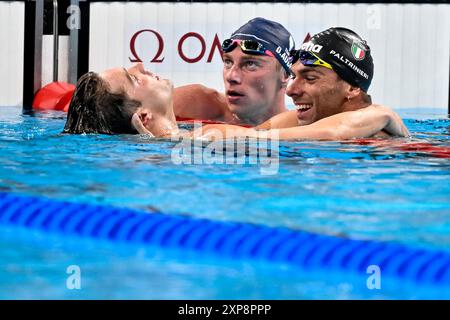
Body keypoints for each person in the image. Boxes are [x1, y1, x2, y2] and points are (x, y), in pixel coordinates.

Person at [193, 27, 410, 140]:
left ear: (352, 88)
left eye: (310, 78)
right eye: (295, 76)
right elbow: (250, 135)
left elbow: (336, 132)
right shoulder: (299, 121)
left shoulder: (376, 129)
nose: (291, 91)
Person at [173, 17, 295, 126]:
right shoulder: (196, 104)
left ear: (285, 74)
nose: (232, 76)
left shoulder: (301, 128)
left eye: (250, 64)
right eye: (228, 62)